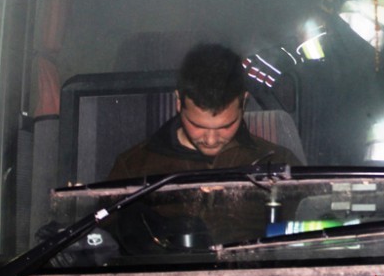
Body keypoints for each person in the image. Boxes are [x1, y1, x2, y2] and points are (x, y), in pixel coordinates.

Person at [109, 43, 302, 180]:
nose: (211, 140)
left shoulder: (277, 164)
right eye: (198, 126)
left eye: (225, 126)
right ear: (179, 102)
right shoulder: (133, 168)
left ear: (244, 103)